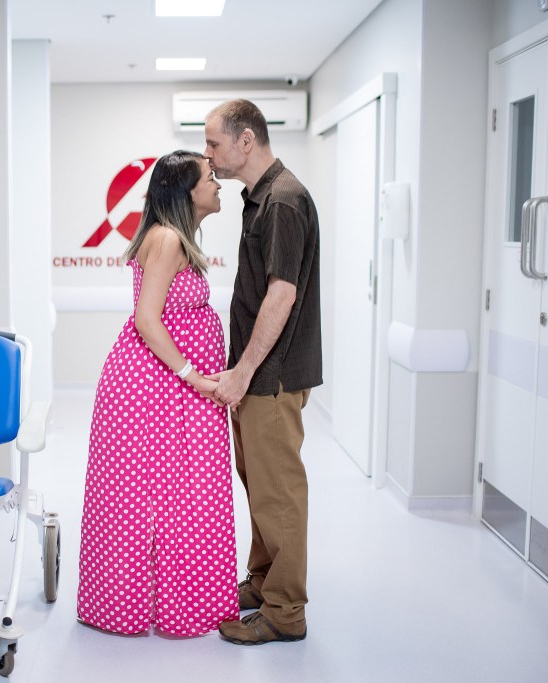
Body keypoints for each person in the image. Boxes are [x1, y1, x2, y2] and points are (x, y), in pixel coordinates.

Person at [76, 150, 239, 637]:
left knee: (182, 497)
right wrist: (195, 376)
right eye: (209, 178)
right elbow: (148, 319)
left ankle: (178, 604)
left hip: (171, 391)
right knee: (155, 500)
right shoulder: (167, 239)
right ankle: (137, 606)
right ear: (187, 192)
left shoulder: (175, 237)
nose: (218, 184)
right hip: (157, 390)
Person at [203, 99, 322, 645]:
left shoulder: (283, 201)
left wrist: (243, 371)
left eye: (214, 143)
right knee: (259, 484)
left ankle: (285, 611)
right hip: (257, 376)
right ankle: (263, 580)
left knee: (279, 493)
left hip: (271, 376)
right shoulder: (259, 199)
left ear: (246, 140)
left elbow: (281, 295)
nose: (208, 155)